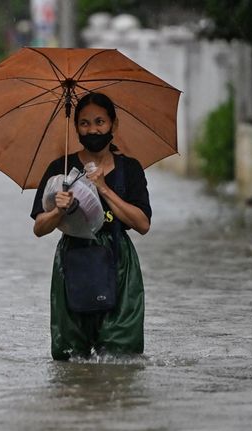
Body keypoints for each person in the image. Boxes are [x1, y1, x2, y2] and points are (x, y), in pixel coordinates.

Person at [31, 92, 152, 360]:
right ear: (75, 128)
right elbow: (39, 228)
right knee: (71, 356)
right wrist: (57, 211)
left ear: (114, 125)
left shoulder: (129, 169)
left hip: (119, 263)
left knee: (121, 357)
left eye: (100, 122)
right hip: (73, 262)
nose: (92, 129)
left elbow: (142, 224)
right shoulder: (61, 168)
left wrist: (104, 189)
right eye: (84, 123)